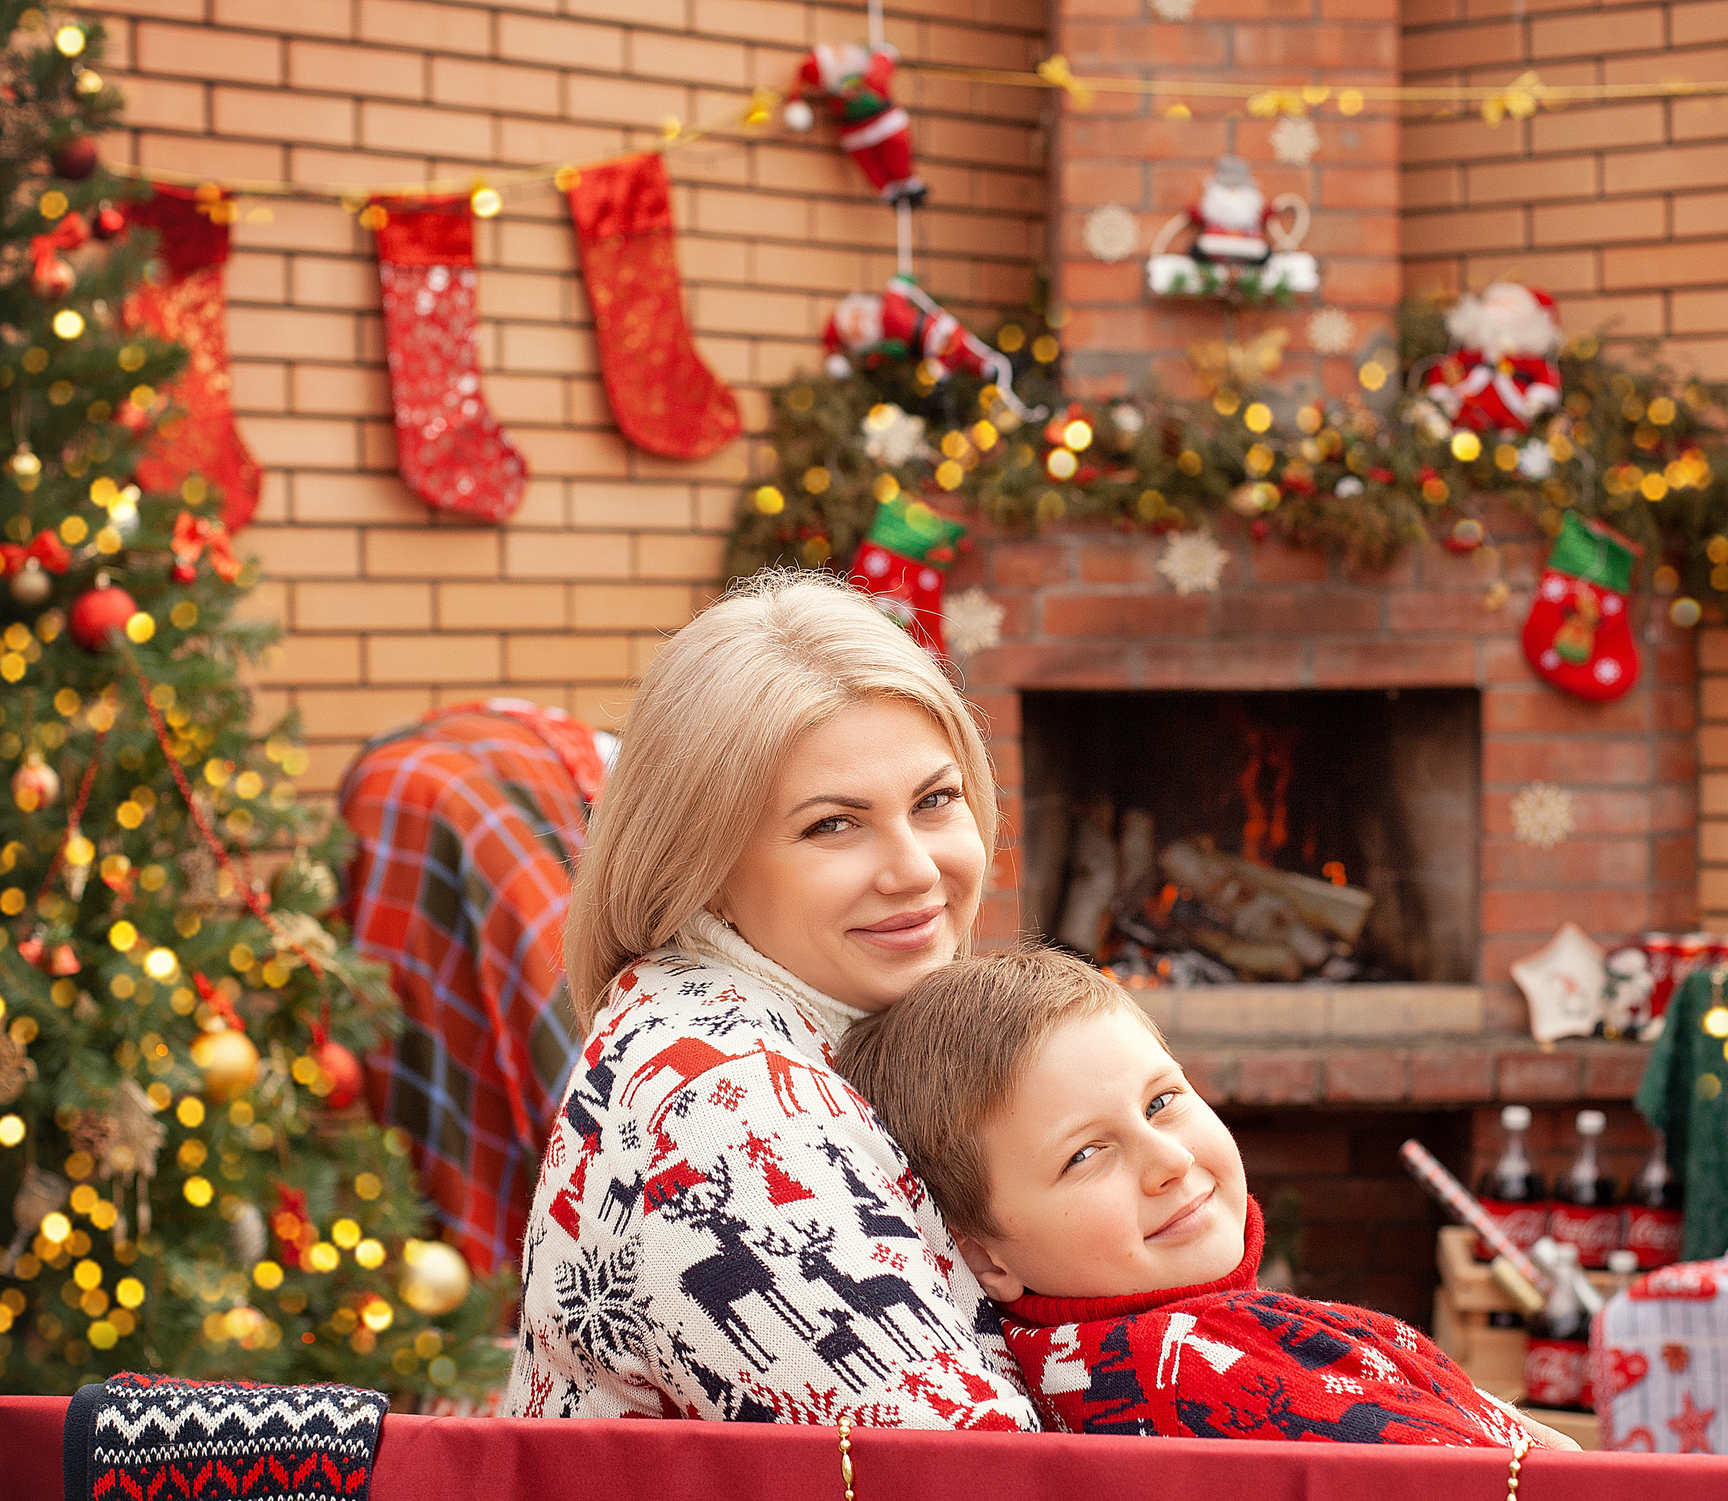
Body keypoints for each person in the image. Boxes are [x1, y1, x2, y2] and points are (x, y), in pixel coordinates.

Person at [504, 573, 1038, 1430]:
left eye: (935, 801)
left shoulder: (789, 1028)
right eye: (834, 824)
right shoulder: (724, 1109)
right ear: (702, 867)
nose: (915, 870)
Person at [836, 951, 1580, 1450]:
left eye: (1162, 1101)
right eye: (1086, 1154)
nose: (1169, 1160)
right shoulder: (1172, 1376)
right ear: (984, 1257)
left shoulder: (1200, 1328)